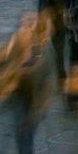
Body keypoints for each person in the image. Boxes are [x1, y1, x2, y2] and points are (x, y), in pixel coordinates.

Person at [0, 11, 55, 154]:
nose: (23, 29)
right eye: (22, 25)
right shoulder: (14, 44)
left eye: (28, 26)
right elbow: (4, 65)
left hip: (33, 104)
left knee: (25, 136)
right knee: (20, 133)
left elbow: (48, 85)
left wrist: (38, 110)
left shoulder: (43, 54)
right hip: (17, 97)